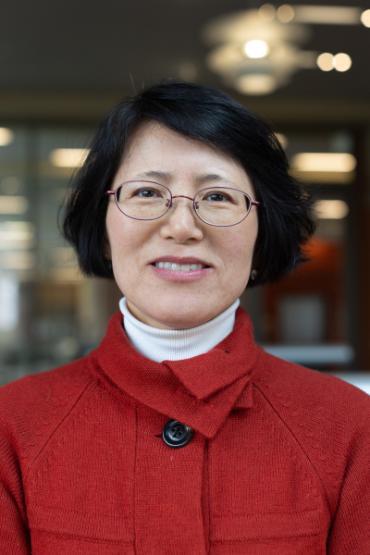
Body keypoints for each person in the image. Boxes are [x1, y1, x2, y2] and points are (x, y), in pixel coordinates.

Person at [0, 81, 369, 555]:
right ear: (105, 225)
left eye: (218, 198)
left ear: (262, 234)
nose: (181, 227)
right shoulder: (14, 426)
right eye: (148, 192)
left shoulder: (348, 428)